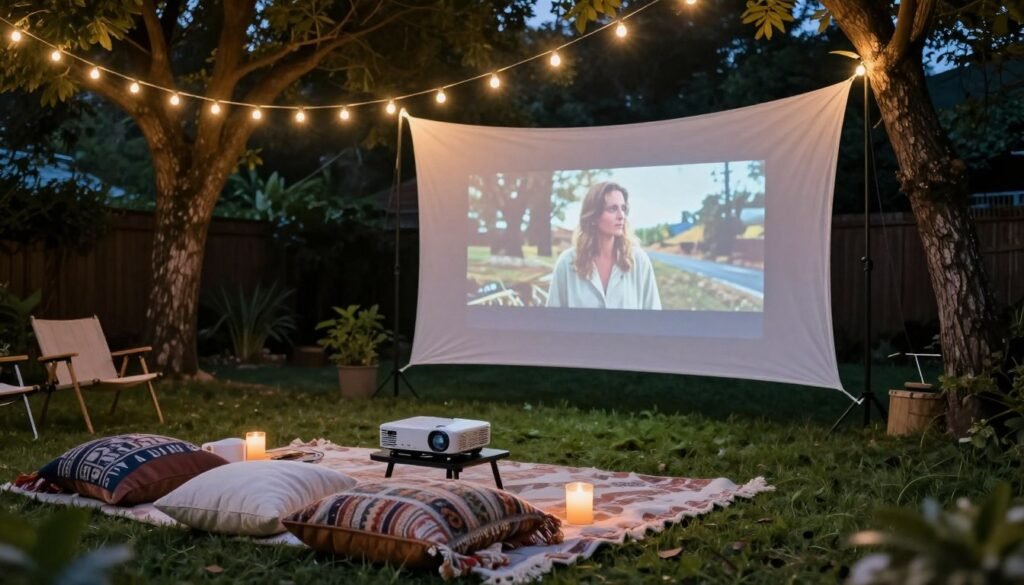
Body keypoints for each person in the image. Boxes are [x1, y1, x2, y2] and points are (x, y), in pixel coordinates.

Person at [546, 181, 661, 309]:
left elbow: (655, 315)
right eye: (613, 209)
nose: (621, 216)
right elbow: (552, 318)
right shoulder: (567, 262)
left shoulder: (639, 261)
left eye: (623, 208)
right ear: (593, 217)